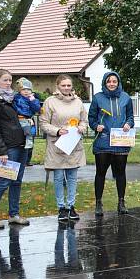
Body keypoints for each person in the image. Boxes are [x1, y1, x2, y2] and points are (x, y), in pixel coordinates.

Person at [0, 69, 30, 228]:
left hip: (21, 144)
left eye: (10, 80)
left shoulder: (12, 98)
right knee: (3, 182)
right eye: (5, 80)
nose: (8, 83)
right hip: (7, 148)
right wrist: (1, 150)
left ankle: (13, 214)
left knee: (17, 181)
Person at [39, 74, 88, 221]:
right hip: (57, 145)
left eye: (69, 85)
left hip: (73, 144)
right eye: (63, 85)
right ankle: (61, 208)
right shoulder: (50, 102)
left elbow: (84, 121)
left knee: (72, 177)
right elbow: (43, 123)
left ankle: (71, 206)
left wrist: (81, 127)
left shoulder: (78, 101)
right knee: (59, 177)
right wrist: (57, 131)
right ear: (58, 86)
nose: (66, 88)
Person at [88, 71, 134, 217]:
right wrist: (96, 126)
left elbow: (131, 117)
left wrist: (128, 124)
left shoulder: (126, 97)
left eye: (114, 81)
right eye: (109, 81)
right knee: (100, 173)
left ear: (118, 82)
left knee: (120, 173)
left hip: (120, 141)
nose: (112, 84)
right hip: (103, 141)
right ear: (105, 82)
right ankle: (98, 203)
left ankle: (121, 202)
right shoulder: (97, 98)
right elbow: (91, 117)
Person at [12, 77, 41, 160]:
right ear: (19, 90)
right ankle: (27, 141)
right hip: (19, 117)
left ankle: (29, 142)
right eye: (23, 89)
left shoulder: (33, 99)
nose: (26, 91)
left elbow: (37, 109)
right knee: (24, 129)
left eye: (28, 89)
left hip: (28, 117)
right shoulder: (17, 98)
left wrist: (33, 101)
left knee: (31, 130)